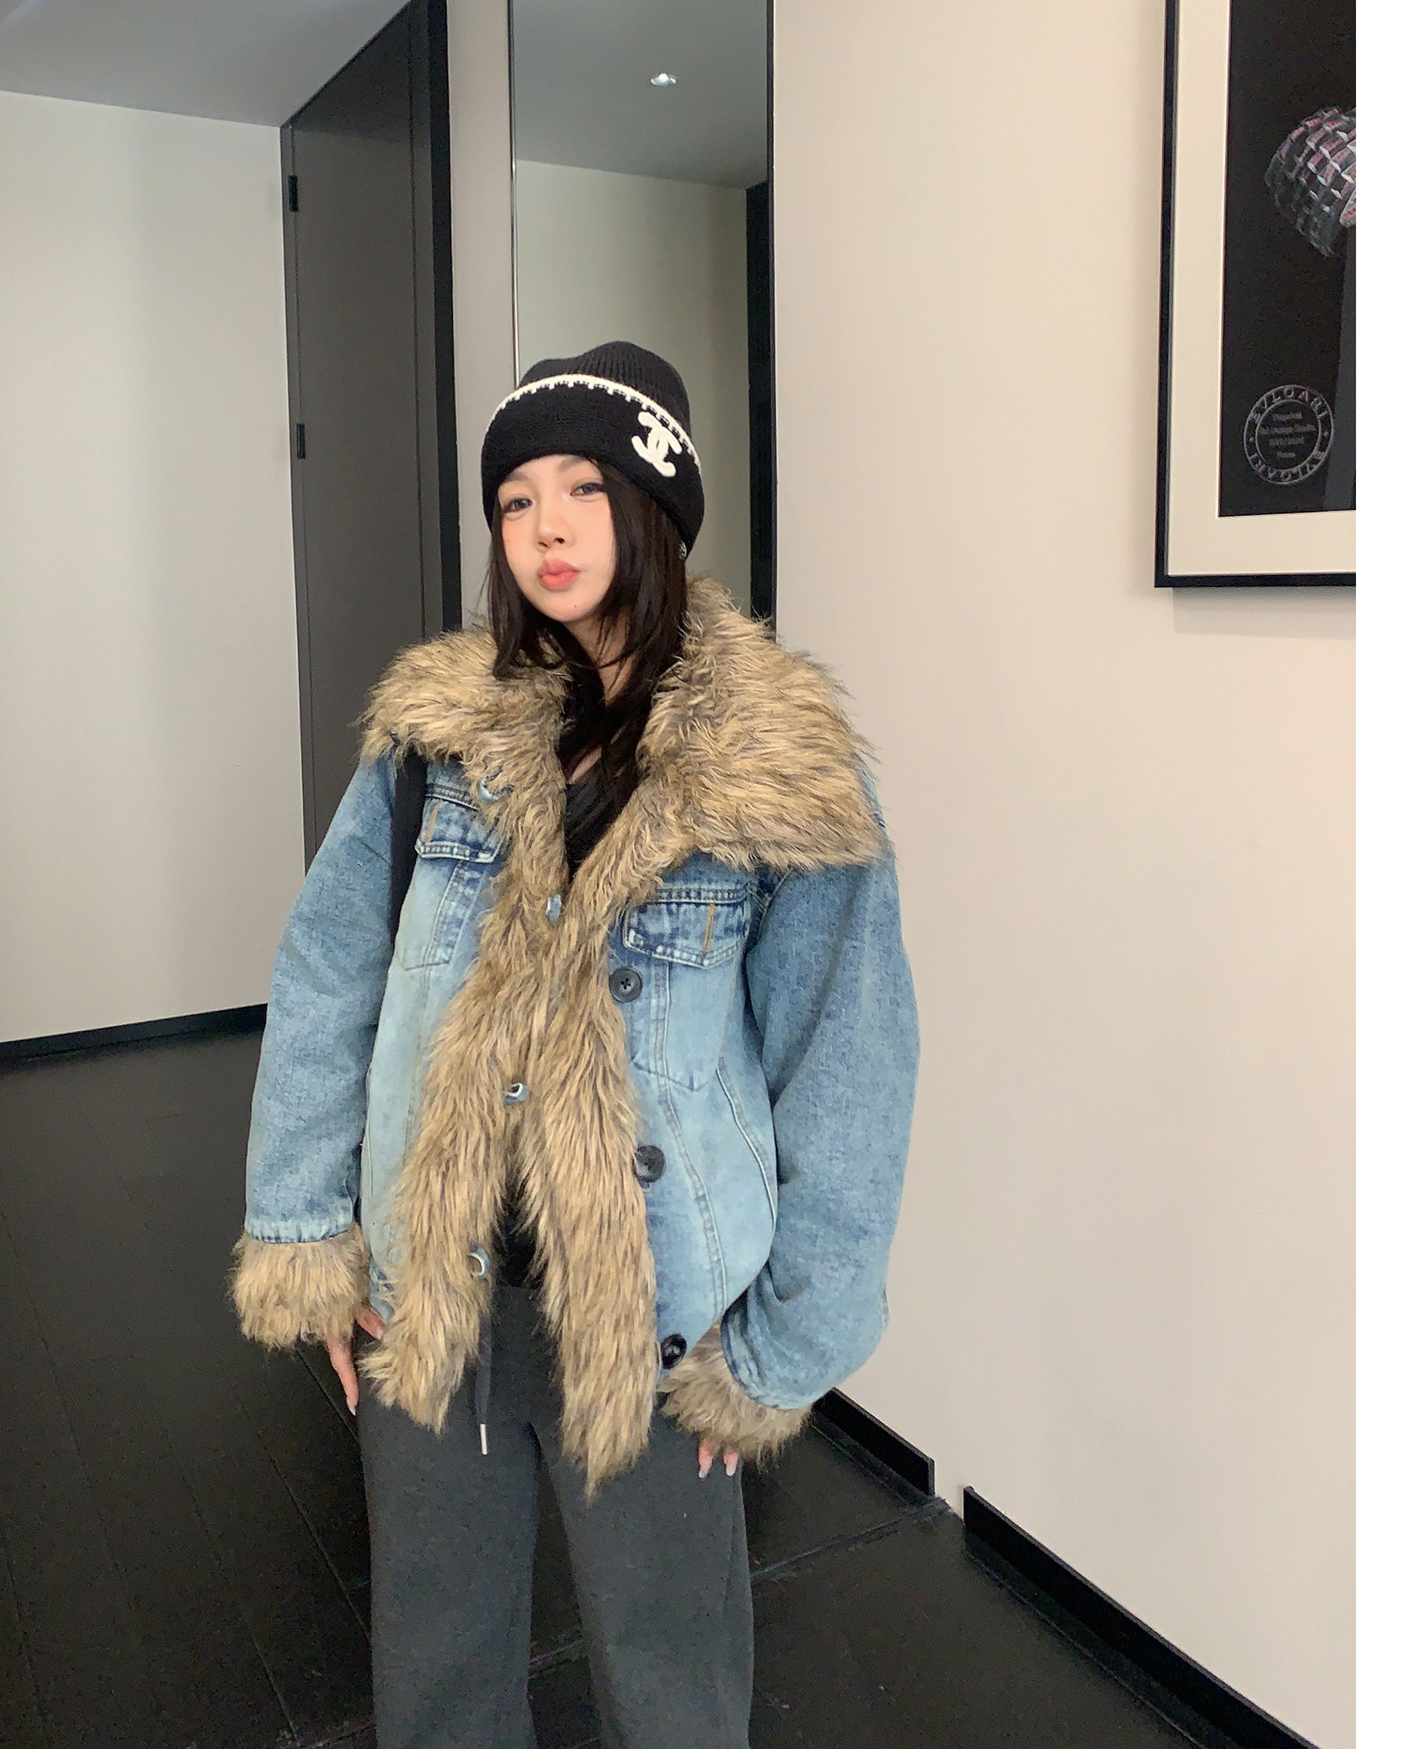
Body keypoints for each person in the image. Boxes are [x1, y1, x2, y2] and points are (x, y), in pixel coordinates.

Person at [231, 340, 920, 1749]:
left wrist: (781, 1349)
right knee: (436, 1681)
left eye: (584, 488)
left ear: (655, 508)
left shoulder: (778, 766)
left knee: (674, 1692)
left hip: (661, 1314)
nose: (545, 526)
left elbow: (850, 1063)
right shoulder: (434, 737)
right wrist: (308, 1236)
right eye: (515, 497)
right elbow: (327, 974)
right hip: (439, 1286)